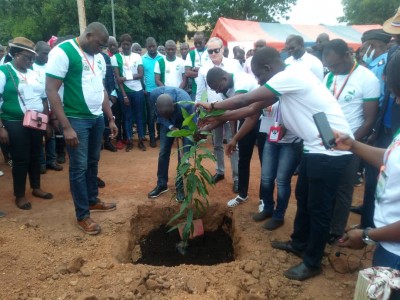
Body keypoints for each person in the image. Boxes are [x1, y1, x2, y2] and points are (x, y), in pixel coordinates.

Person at [197, 46, 353, 281]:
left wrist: (213, 106)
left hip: (331, 150)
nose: (259, 82)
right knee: (303, 197)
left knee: (318, 209)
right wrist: (213, 119)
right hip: (314, 146)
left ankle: (312, 262)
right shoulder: (285, 79)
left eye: (260, 77)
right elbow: (250, 109)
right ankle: (299, 242)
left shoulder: (289, 75)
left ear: (268, 68)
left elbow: (248, 98)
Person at [46, 22, 118, 235]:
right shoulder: (63, 52)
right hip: (76, 119)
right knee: (78, 167)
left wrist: (110, 118)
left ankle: (92, 200)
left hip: (96, 118)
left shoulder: (99, 58)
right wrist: (66, 127)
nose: (103, 49)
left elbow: (101, 89)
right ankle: (82, 215)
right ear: (88, 35)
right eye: (100, 44)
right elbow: (51, 90)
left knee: (92, 161)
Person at [336, 51, 400, 271]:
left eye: (397, 94)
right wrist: (353, 145)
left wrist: (366, 235)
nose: (395, 101)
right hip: (389, 246)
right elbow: (392, 158)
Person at [322, 39, 380, 243]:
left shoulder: (367, 78)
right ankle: (323, 223)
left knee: (343, 189)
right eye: (329, 66)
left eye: (335, 65)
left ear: (348, 54)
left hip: (351, 145)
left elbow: (370, 118)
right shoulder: (329, 77)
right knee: (325, 186)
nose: (332, 69)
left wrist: (351, 142)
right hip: (326, 142)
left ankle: (336, 231)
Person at [0, 37, 53, 211]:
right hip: (14, 122)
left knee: (36, 154)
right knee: (21, 159)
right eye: (26, 57)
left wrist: (47, 121)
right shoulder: (4, 71)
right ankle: (20, 195)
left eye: (32, 58)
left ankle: (36, 187)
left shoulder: (34, 73)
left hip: (36, 120)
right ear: (15, 54)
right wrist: (1, 127)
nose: (30, 61)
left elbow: (44, 98)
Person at [206, 67, 265, 208]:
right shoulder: (225, 91)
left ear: (224, 78)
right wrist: (233, 135)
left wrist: (212, 109)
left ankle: (264, 199)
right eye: (214, 89)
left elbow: (238, 104)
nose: (217, 91)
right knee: (243, 158)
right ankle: (242, 194)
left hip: (263, 121)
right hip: (245, 120)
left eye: (217, 87)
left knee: (264, 161)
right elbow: (231, 115)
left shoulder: (241, 80)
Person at [196, 37, 242, 192]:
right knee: (216, 144)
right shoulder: (203, 69)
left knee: (232, 142)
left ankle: (237, 177)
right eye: (210, 51)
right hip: (213, 111)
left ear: (223, 49)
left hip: (231, 110)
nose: (213, 53)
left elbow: (239, 89)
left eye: (216, 50)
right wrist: (200, 110)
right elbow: (201, 91)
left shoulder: (233, 64)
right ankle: (220, 171)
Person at [147, 87, 193, 202]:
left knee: (183, 156)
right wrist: (171, 126)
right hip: (166, 124)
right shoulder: (153, 95)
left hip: (185, 122)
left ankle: (180, 187)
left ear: (174, 106)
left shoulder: (186, 103)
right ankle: (162, 184)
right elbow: (158, 116)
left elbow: (193, 121)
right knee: (163, 152)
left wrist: (184, 133)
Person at [33, 41, 64, 173]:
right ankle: (41, 163)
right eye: (44, 53)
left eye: (48, 54)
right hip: (38, 107)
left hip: (52, 106)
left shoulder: (50, 67)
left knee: (51, 132)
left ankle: (51, 160)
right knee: (40, 135)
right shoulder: (31, 68)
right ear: (36, 53)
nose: (47, 56)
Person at [111, 33, 146, 152]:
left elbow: (141, 74)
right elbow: (117, 78)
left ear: (131, 44)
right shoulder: (115, 57)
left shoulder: (137, 56)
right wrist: (124, 95)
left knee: (139, 116)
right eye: (123, 44)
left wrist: (125, 77)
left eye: (128, 44)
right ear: (120, 45)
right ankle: (130, 140)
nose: (126, 46)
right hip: (124, 92)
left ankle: (141, 140)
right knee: (127, 116)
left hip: (138, 91)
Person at [142, 37, 163, 148]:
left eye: (153, 46)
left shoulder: (162, 58)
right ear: (146, 47)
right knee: (150, 115)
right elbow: (141, 75)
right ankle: (152, 138)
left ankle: (160, 135)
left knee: (162, 114)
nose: (151, 48)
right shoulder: (142, 59)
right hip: (149, 92)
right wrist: (143, 88)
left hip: (161, 91)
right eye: (149, 46)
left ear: (156, 45)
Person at [107, 36, 125, 150]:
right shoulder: (105, 58)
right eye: (110, 45)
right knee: (114, 117)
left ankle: (125, 137)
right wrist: (110, 94)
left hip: (123, 91)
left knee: (124, 116)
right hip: (112, 94)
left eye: (114, 45)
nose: (113, 47)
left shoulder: (121, 57)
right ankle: (115, 139)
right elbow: (106, 78)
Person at [184, 32, 209, 101]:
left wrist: (197, 69)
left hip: (210, 89)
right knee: (196, 110)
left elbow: (213, 71)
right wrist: (204, 73)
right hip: (195, 89)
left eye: (200, 42)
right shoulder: (191, 54)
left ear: (205, 41)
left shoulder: (210, 52)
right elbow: (187, 73)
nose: (197, 45)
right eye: (195, 43)